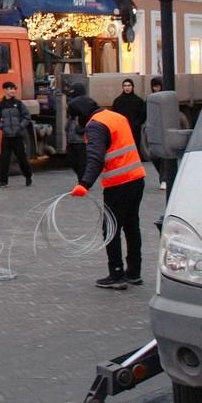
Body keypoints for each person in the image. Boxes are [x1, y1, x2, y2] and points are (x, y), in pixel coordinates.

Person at [66, 91, 146, 289]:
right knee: (131, 225)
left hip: (118, 184)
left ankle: (116, 274)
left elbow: (95, 158)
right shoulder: (116, 116)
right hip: (137, 177)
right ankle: (134, 272)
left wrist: (84, 184)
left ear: (82, 114)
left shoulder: (95, 126)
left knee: (111, 229)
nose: (77, 123)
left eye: (76, 118)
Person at [0, 81, 33, 188]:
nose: (12, 91)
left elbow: (27, 116)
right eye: (10, 89)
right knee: (4, 160)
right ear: (4, 90)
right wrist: (2, 126)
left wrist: (20, 126)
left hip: (17, 136)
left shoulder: (18, 104)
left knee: (21, 158)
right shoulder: (0, 105)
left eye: (14, 88)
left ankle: (28, 176)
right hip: (6, 137)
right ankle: (3, 182)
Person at [111, 77, 147, 157]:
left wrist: (136, 124)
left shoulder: (138, 101)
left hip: (134, 129)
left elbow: (143, 115)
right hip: (122, 129)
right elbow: (114, 115)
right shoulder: (117, 101)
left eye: (129, 85)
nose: (127, 87)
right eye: (125, 86)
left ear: (132, 87)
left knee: (134, 146)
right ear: (122, 87)